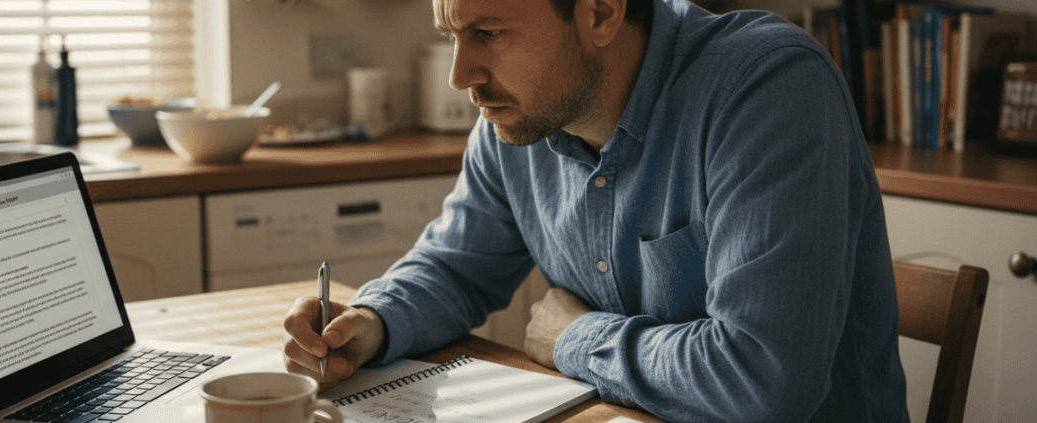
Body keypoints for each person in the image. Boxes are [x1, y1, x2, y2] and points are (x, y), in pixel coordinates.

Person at [283, 0, 911, 420]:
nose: (459, 74)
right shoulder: (517, 116)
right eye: (451, 34)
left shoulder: (766, 88)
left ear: (602, 10)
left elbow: (764, 379)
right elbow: (455, 266)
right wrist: (371, 321)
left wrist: (573, 339)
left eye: (488, 33)